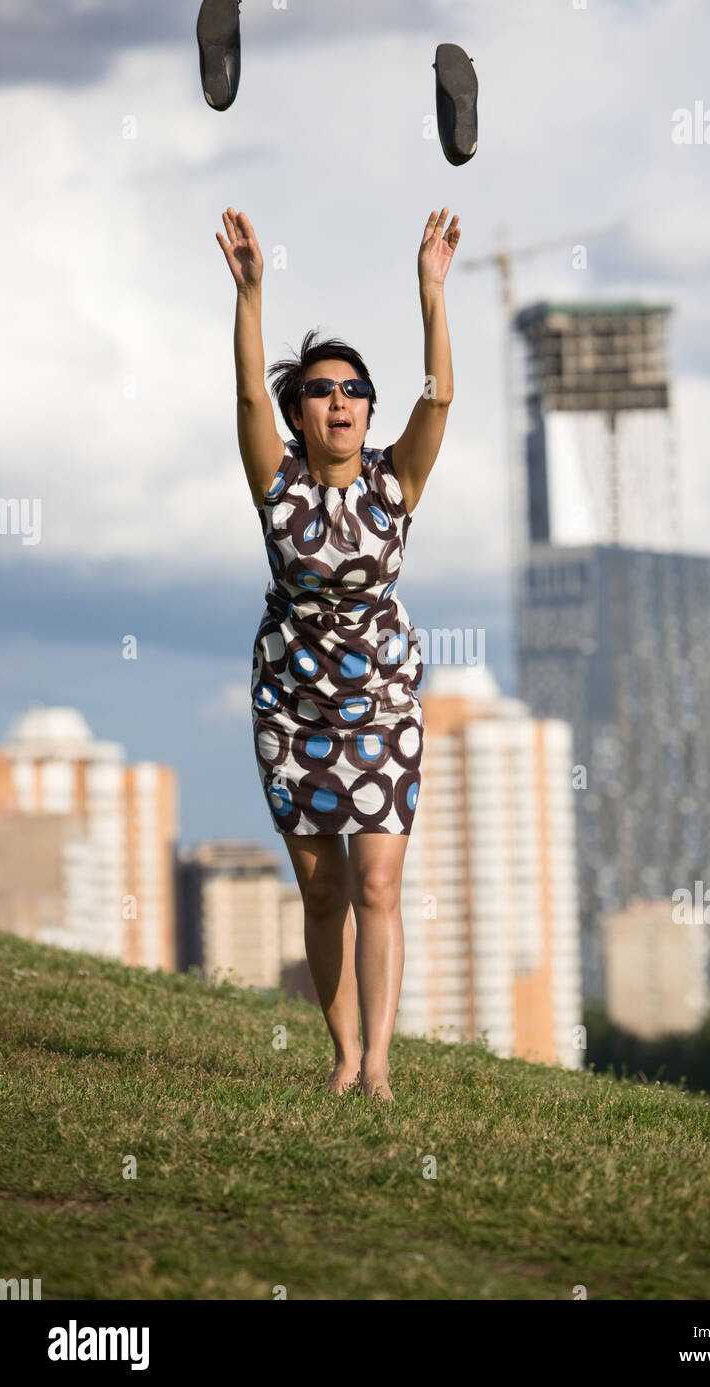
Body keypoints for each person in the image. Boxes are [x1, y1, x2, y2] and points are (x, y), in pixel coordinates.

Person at [217, 206, 460, 1099]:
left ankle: (383, 1067)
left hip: (385, 705)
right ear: (300, 413)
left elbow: (438, 396)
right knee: (322, 893)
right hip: (291, 708)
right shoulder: (275, 484)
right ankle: (343, 1055)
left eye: (354, 388)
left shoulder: (398, 482)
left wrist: (431, 292)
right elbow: (247, 395)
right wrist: (251, 297)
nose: (342, 400)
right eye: (322, 389)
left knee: (379, 884)